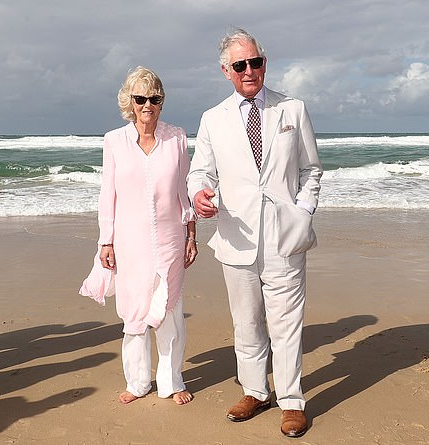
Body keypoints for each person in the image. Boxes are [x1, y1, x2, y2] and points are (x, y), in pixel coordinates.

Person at [187, 28, 323, 438]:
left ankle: (291, 401)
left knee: (286, 324)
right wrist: (199, 195)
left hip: (286, 237)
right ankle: (254, 391)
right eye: (241, 65)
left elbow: (311, 170)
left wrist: (303, 212)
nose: (250, 71)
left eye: (256, 62)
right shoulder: (213, 119)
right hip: (236, 237)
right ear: (225, 70)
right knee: (246, 323)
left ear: (265, 63)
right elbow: (200, 172)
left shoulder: (293, 109)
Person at [79, 66, 197, 406]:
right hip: (129, 242)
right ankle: (138, 381)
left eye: (155, 99)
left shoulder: (176, 138)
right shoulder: (114, 141)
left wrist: (191, 234)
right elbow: (108, 196)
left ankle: (172, 381)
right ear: (130, 102)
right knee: (134, 313)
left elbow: (184, 189)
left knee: (169, 310)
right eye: (141, 98)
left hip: (171, 238)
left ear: (162, 102)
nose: (148, 105)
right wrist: (105, 240)